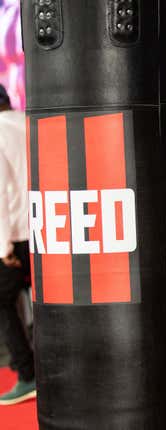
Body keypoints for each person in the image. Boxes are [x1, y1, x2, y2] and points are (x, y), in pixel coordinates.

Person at [0, 85, 35, 406]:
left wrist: (2, 246)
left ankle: (27, 374)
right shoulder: (30, 121)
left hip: (16, 232)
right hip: (49, 224)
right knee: (49, 300)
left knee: (3, 303)